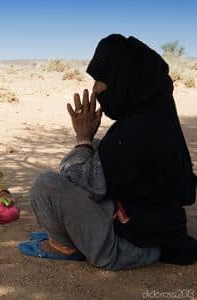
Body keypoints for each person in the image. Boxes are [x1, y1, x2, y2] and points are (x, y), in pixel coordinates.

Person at [19, 34, 197, 269]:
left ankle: (64, 246)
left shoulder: (132, 134)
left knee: (46, 185)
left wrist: (82, 139)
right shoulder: (158, 118)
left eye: (101, 79)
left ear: (123, 79)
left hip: (130, 247)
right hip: (157, 232)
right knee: (95, 149)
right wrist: (89, 145)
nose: (95, 89)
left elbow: (79, 185)